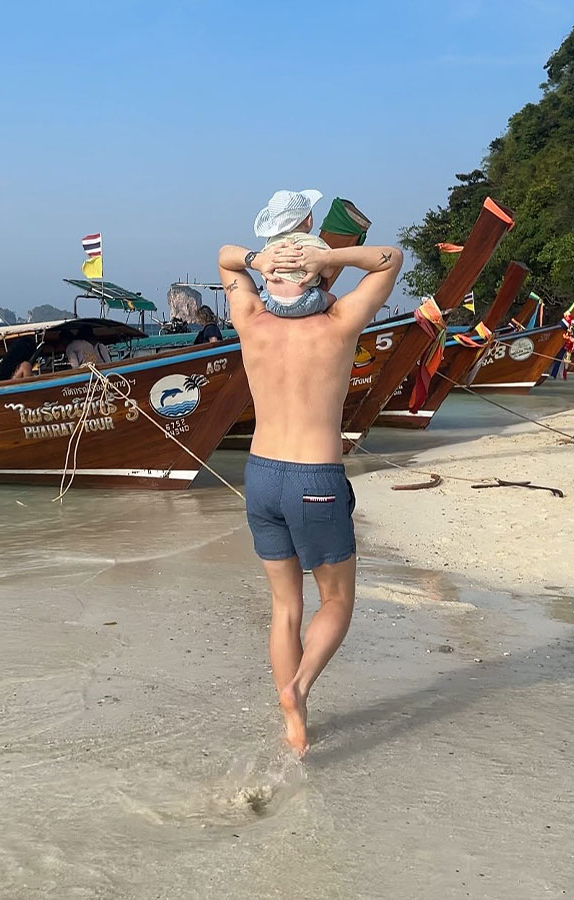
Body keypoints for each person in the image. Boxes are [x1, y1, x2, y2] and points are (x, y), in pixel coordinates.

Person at [218, 214, 402, 757]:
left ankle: (294, 725)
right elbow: (391, 258)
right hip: (314, 478)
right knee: (338, 600)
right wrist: (332, 259)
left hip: (260, 476)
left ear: (273, 280)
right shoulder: (341, 320)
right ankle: (298, 691)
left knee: (285, 607)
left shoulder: (250, 317)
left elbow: (225, 257)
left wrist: (257, 260)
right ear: (321, 280)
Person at [253, 189, 337, 318]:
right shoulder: (314, 242)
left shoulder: (271, 244)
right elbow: (328, 272)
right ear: (308, 220)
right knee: (332, 299)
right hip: (303, 301)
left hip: (271, 302)